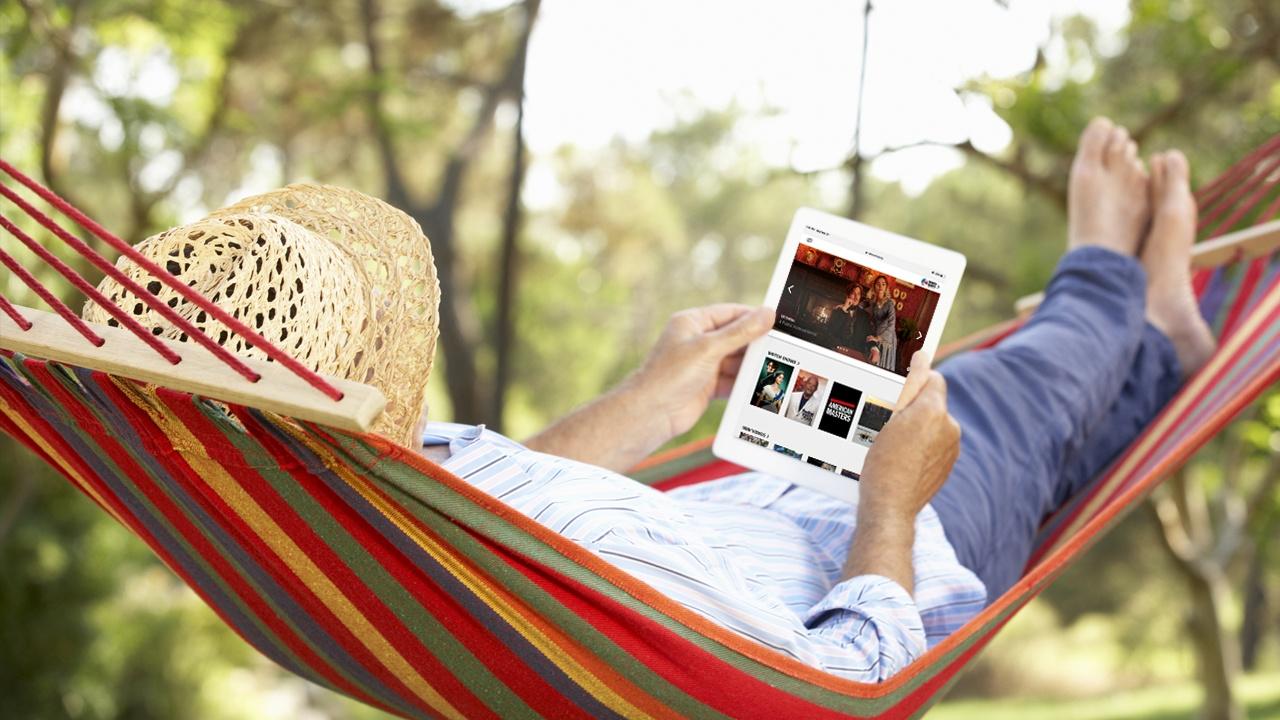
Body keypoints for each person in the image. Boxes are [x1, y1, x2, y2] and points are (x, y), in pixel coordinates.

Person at [86, 117, 1215, 684]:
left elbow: (510, 515)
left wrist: (647, 400)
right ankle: (1108, 278)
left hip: (765, 491)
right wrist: (887, 501)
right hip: (896, 540)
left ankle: (1160, 343)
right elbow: (851, 680)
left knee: (1038, 435)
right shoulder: (382, 527)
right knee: (1003, 388)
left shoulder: (361, 519)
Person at [827, 283, 881, 364]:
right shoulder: (838, 310)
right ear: (848, 295)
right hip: (838, 350)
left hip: (856, 353)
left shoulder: (865, 316)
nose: (856, 297)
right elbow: (831, 330)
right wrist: (844, 309)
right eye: (853, 293)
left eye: (858, 294)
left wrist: (874, 348)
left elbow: (869, 334)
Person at [868, 274, 898, 372]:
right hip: (877, 335)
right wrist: (843, 306)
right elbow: (859, 307)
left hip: (887, 337)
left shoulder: (889, 303)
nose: (881, 286)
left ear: (886, 288)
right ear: (874, 287)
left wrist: (879, 337)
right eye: (878, 284)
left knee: (882, 367)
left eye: (883, 284)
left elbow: (892, 324)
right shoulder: (872, 303)